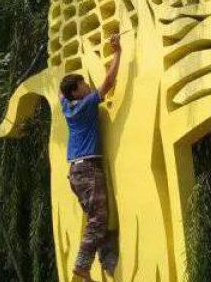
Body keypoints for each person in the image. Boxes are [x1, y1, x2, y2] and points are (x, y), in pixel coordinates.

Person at [59, 34, 121, 282]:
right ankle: (82, 267)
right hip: (87, 170)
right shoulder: (85, 105)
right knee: (98, 219)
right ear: (76, 92)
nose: (87, 85)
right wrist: (117, 51)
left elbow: (61, 93)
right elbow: (108, 82)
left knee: (97, 218)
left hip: (76, 173)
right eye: (82, 84)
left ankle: (106, 259)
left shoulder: (67, 107)